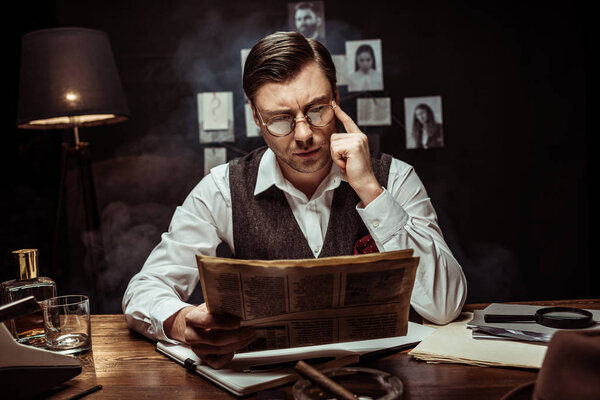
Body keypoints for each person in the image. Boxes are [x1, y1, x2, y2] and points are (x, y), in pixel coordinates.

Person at [122, 31, 466, 369]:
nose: (303, 134)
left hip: (381, 379)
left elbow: (445, 306)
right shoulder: (222, 188)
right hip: (263, 386)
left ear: (336, 98)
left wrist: (371, 193)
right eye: (280, 119)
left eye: (317, 110)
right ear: (256, 117)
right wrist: (183, 322)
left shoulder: (395, 177)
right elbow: (145, 288)